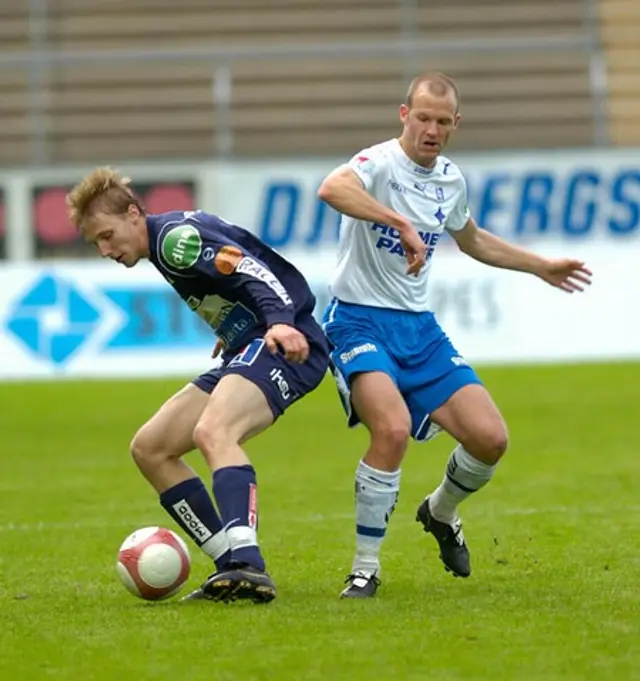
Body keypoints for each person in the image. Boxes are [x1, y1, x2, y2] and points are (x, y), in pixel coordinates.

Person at [317, 72, 592, 599]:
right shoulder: (376, 163)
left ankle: (439, 512)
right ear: (404, 114)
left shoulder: (450, 180)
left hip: (419, 331)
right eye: (422, 117)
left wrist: (539, 266)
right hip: (356, 320)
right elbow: (332, 189)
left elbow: (472, 240)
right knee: (392, 430)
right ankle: (365, 568)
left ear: (455, 124)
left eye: (442, 122)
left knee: (490, 439)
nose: (431, 129)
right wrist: (398, 222)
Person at [66, 168, 330, 604]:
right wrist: (234, 324)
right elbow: (234, 270)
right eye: (97, 242)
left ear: (134, 214)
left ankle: (249, 564)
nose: (105, 249)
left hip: (285, 344)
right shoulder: (166, 244)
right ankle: (230, 566)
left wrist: (281, 323)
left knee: (214, 431)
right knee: (150, 448)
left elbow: (254, 270)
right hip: (250, 343)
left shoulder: (174, 240)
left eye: (108, 235)